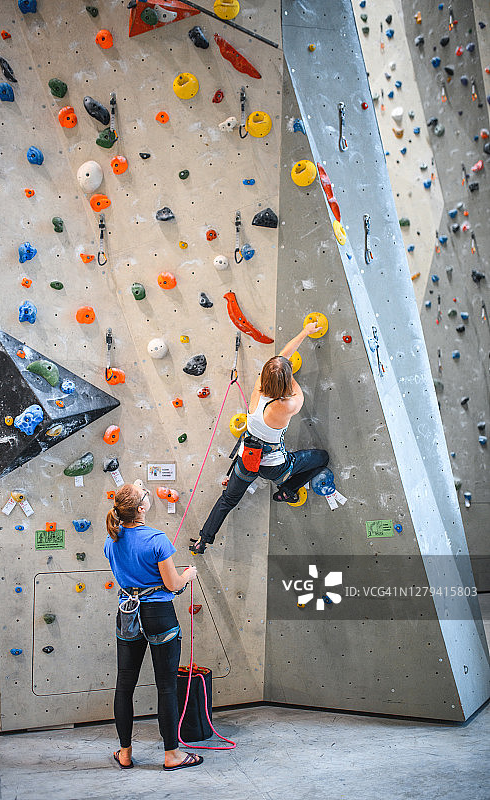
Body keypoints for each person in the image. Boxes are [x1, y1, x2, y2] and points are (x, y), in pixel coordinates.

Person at [190, 322, 329, 555]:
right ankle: (287, 489)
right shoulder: (286, 405)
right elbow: (296, 389)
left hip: (247, 459)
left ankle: (202, 541)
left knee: (228, 500)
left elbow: (283, 356)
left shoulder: (258, 388)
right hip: (275, 466)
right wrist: (288, 373)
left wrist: (304, 332)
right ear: (285, 382)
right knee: (321, 458)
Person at [104, 481, 203, 772]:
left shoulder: (111, 539)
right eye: (145, 496)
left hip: (128, 614)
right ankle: (171, 755)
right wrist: (188, 575)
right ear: (143, 508)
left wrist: (134, 488)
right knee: (166, 687)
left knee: (124, 685)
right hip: (158, 614)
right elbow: (172, 585)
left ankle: (124, 752)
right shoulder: (157, 539)